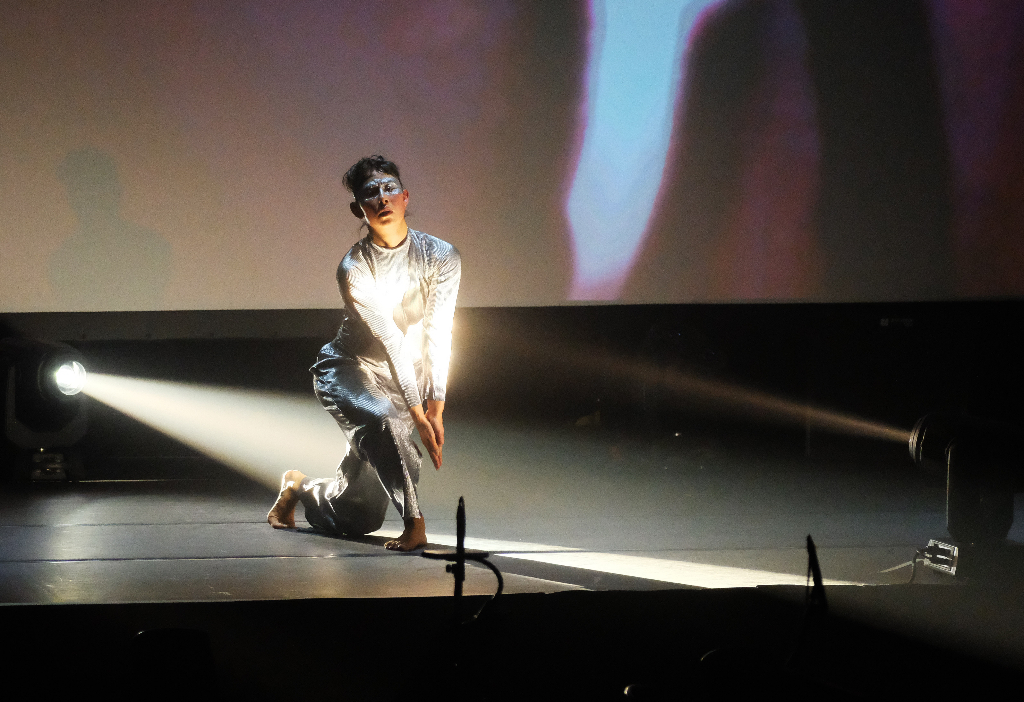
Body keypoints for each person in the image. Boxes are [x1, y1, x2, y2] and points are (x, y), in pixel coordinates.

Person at [267, 155, 461, 551]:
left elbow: (438, 331)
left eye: (390, 188)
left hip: (400, 377)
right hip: (348, 369)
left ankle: (299, 487)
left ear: (405, 197)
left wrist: (435, 406)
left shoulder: (442, 256)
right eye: (371, 193)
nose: (383, 198)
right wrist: (416, 415)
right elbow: (390, 339)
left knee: (359, 516)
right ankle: (415, 524)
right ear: (359, 208)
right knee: (388, 423)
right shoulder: (354, 267)